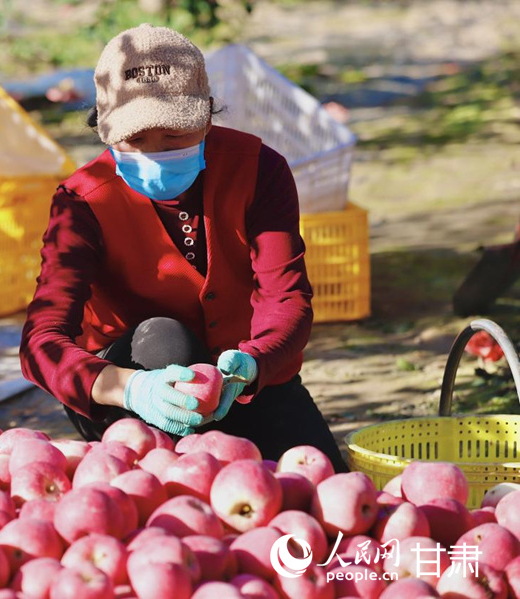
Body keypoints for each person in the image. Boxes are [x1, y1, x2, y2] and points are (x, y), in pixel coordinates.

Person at [19, 23, 348, 472]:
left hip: (242, 381)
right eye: (135, 140)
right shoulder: (82, 202)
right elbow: (42, 341)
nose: (155, 153)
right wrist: (127, 388)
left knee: (323, 490)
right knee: (164, 340)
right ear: (105, 130)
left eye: (174, 136)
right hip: (130, 394)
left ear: (206, 117)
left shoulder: (259, 171)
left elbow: (287, 297)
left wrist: (253, 362)